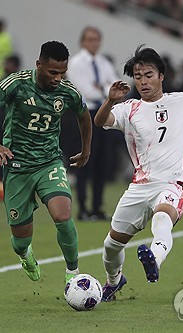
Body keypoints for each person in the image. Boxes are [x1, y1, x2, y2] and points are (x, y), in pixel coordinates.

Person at [93, 45, 183, 301]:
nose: (143, 81)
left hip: (173, 183)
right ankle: (114, 281)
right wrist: (111, 100)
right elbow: (100, 122)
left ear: (161, 76)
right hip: (140, 186)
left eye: (148, 74)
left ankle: (154, 259)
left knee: (162, 220)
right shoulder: (128, 109)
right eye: (138, 76)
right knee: (111, 246)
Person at [0, 41, 92, 286]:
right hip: (17, 166)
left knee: (62, 215)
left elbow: (84, 116)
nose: (58, 78)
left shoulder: (68, 91)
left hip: (49, 162)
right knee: (20, 239)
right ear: (39, 65)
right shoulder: (15, 84)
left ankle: (73, 273)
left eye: (62, 73)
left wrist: (86, 149)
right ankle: (25, 255)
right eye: (53, 72)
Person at [66, 26, 119, 220]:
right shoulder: (76, 63)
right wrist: (106, 91)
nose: (94, 43)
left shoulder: (103, 62)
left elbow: (117, 85)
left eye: (96, 39)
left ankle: (97, 207)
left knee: (102, 163)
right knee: (84, 162)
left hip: (103, 114)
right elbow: (86, 91)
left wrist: (104, 89)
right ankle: (82, 208)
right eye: (90, 39)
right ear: (82, 41)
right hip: (84, 114)